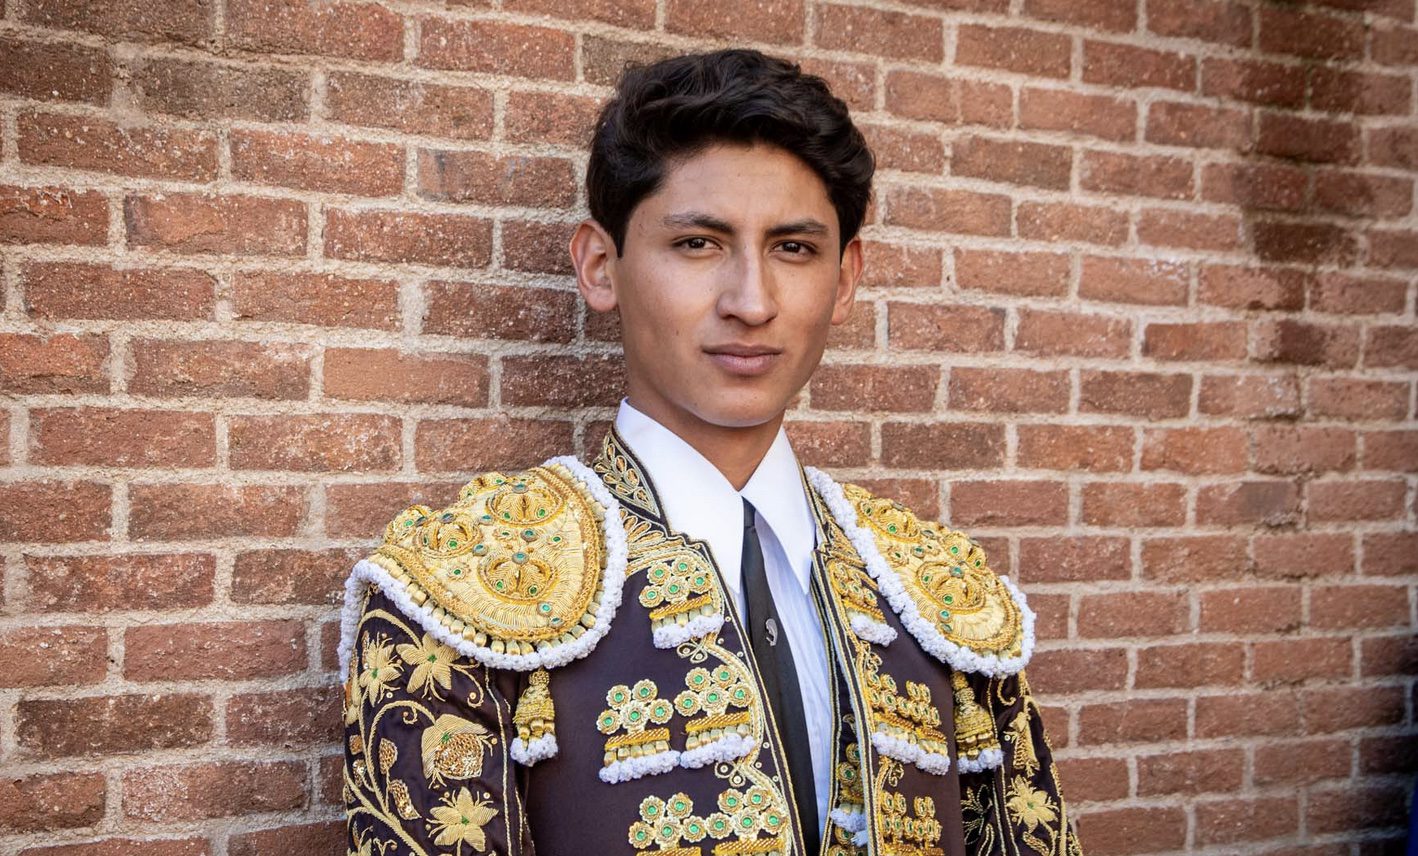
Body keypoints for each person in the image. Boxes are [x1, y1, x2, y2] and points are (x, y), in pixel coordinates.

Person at [339, 47, 1082, 856]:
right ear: (600, 265)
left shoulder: (937, 591)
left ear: (845, 279)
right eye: (698, 244)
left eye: (794, 249)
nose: (752, 303)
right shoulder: (456, 590)